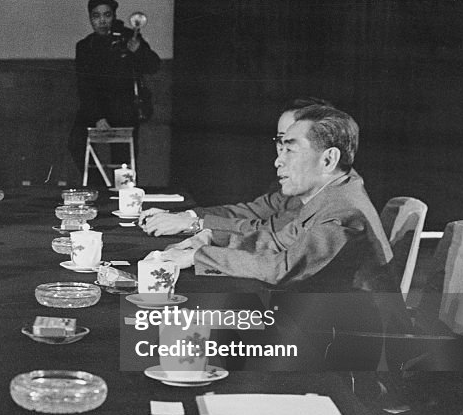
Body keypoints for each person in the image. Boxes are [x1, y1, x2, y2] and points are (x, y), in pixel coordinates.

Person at [157, 105, 391, 290]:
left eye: (290, 150)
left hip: (346, 334)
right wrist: (213, 239)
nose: (278, 161)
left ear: (328, 160)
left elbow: (281, 268)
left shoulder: (343, 211)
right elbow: (278, 242)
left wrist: (197, 256)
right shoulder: (335, 194)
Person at [140, 97, 332, 237]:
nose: (279, 157)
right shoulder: (296, 184)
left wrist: (194, 225)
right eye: (280, 141)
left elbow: (270, 232)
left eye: (291, 144)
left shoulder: (331, 198)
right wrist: (184, 216)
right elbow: (249, 212)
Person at [68, 0, 161, 169]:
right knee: (77, 143)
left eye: (107, 15)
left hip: (124, 108)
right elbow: (84, 85)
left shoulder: (128, 37)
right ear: (90, 19)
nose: (102, 21)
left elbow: (154, 67)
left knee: (123, 160)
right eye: (96, 16)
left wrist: (139, 50)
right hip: (95, 107)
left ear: (114, 16)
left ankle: (121, 194)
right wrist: (97, 117)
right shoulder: (85, 46)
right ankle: (98, 186)